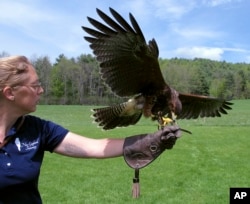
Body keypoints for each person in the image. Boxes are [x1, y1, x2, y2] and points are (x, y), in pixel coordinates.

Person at [0, 55, 181, 203]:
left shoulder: (38, 129)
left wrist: (148, 141)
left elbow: (93, 147)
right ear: (10, 93)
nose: (41, 90)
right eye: (35, 85)